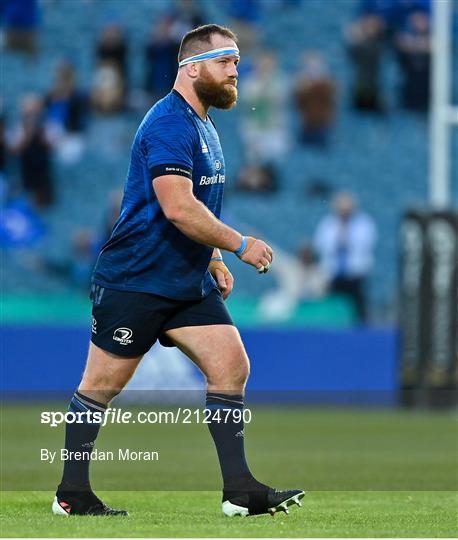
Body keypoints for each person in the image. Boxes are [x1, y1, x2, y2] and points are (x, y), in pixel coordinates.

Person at [52, 24, 304, 518]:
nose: (236, 73)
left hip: (185, 282)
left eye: (236, 63)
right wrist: (238, 245)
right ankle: (71, 493)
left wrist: (210, 259)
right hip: (136, 279)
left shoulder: (203, 124)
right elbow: (177, 208)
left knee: (232, 365)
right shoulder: (168, 123)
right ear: (193, 68)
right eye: (226, 63)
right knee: (100, 388)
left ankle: (239, 490)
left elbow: (200, 202)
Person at [314, 192, 376, 323]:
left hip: (355, 274)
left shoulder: (363, 223)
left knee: (359, 309)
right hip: (333, 274)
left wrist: (346, 238)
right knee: (333, 307)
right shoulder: (328, 224)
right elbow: (321, 245)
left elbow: (365, 244)